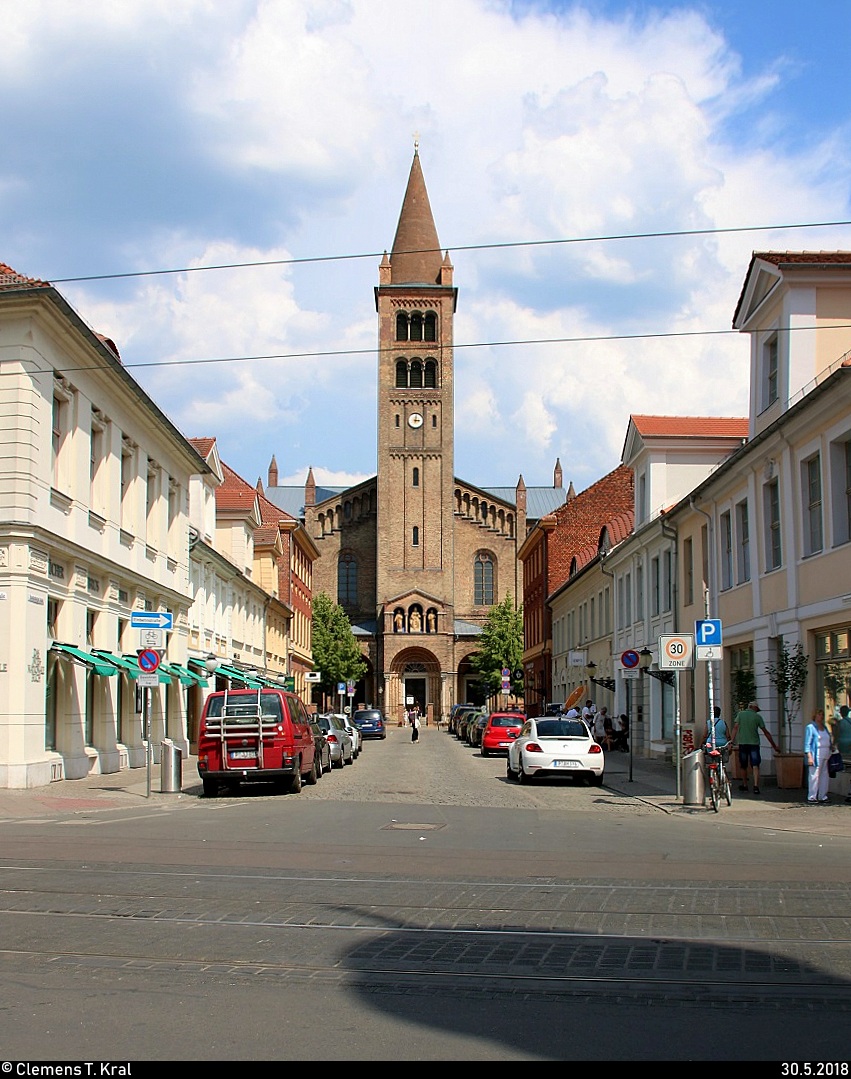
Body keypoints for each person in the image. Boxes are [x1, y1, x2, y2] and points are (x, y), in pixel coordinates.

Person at [731, 700, 778, 796]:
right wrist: (774, 745)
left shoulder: (740, 714)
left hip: (743, 743)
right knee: (755, 764)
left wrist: (731, 741)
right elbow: (765, 732)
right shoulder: (757, 717)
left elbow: (735, 728)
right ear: (755, 708)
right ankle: (756, 786)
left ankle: (745, 784)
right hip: (754, 744)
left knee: (743, 765)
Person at [804, 710, 834, 805]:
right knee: (814, 776)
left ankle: (823, 795)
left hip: (826, 754)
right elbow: (807, 743)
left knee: (824, 775)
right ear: (815, 715)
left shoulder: (824, 727)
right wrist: (809, 756)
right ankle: (812, 796)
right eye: (819, 714)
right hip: (816, 754)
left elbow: (828, 739)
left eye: (822, 715)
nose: (821, 716)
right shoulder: (811, 727)